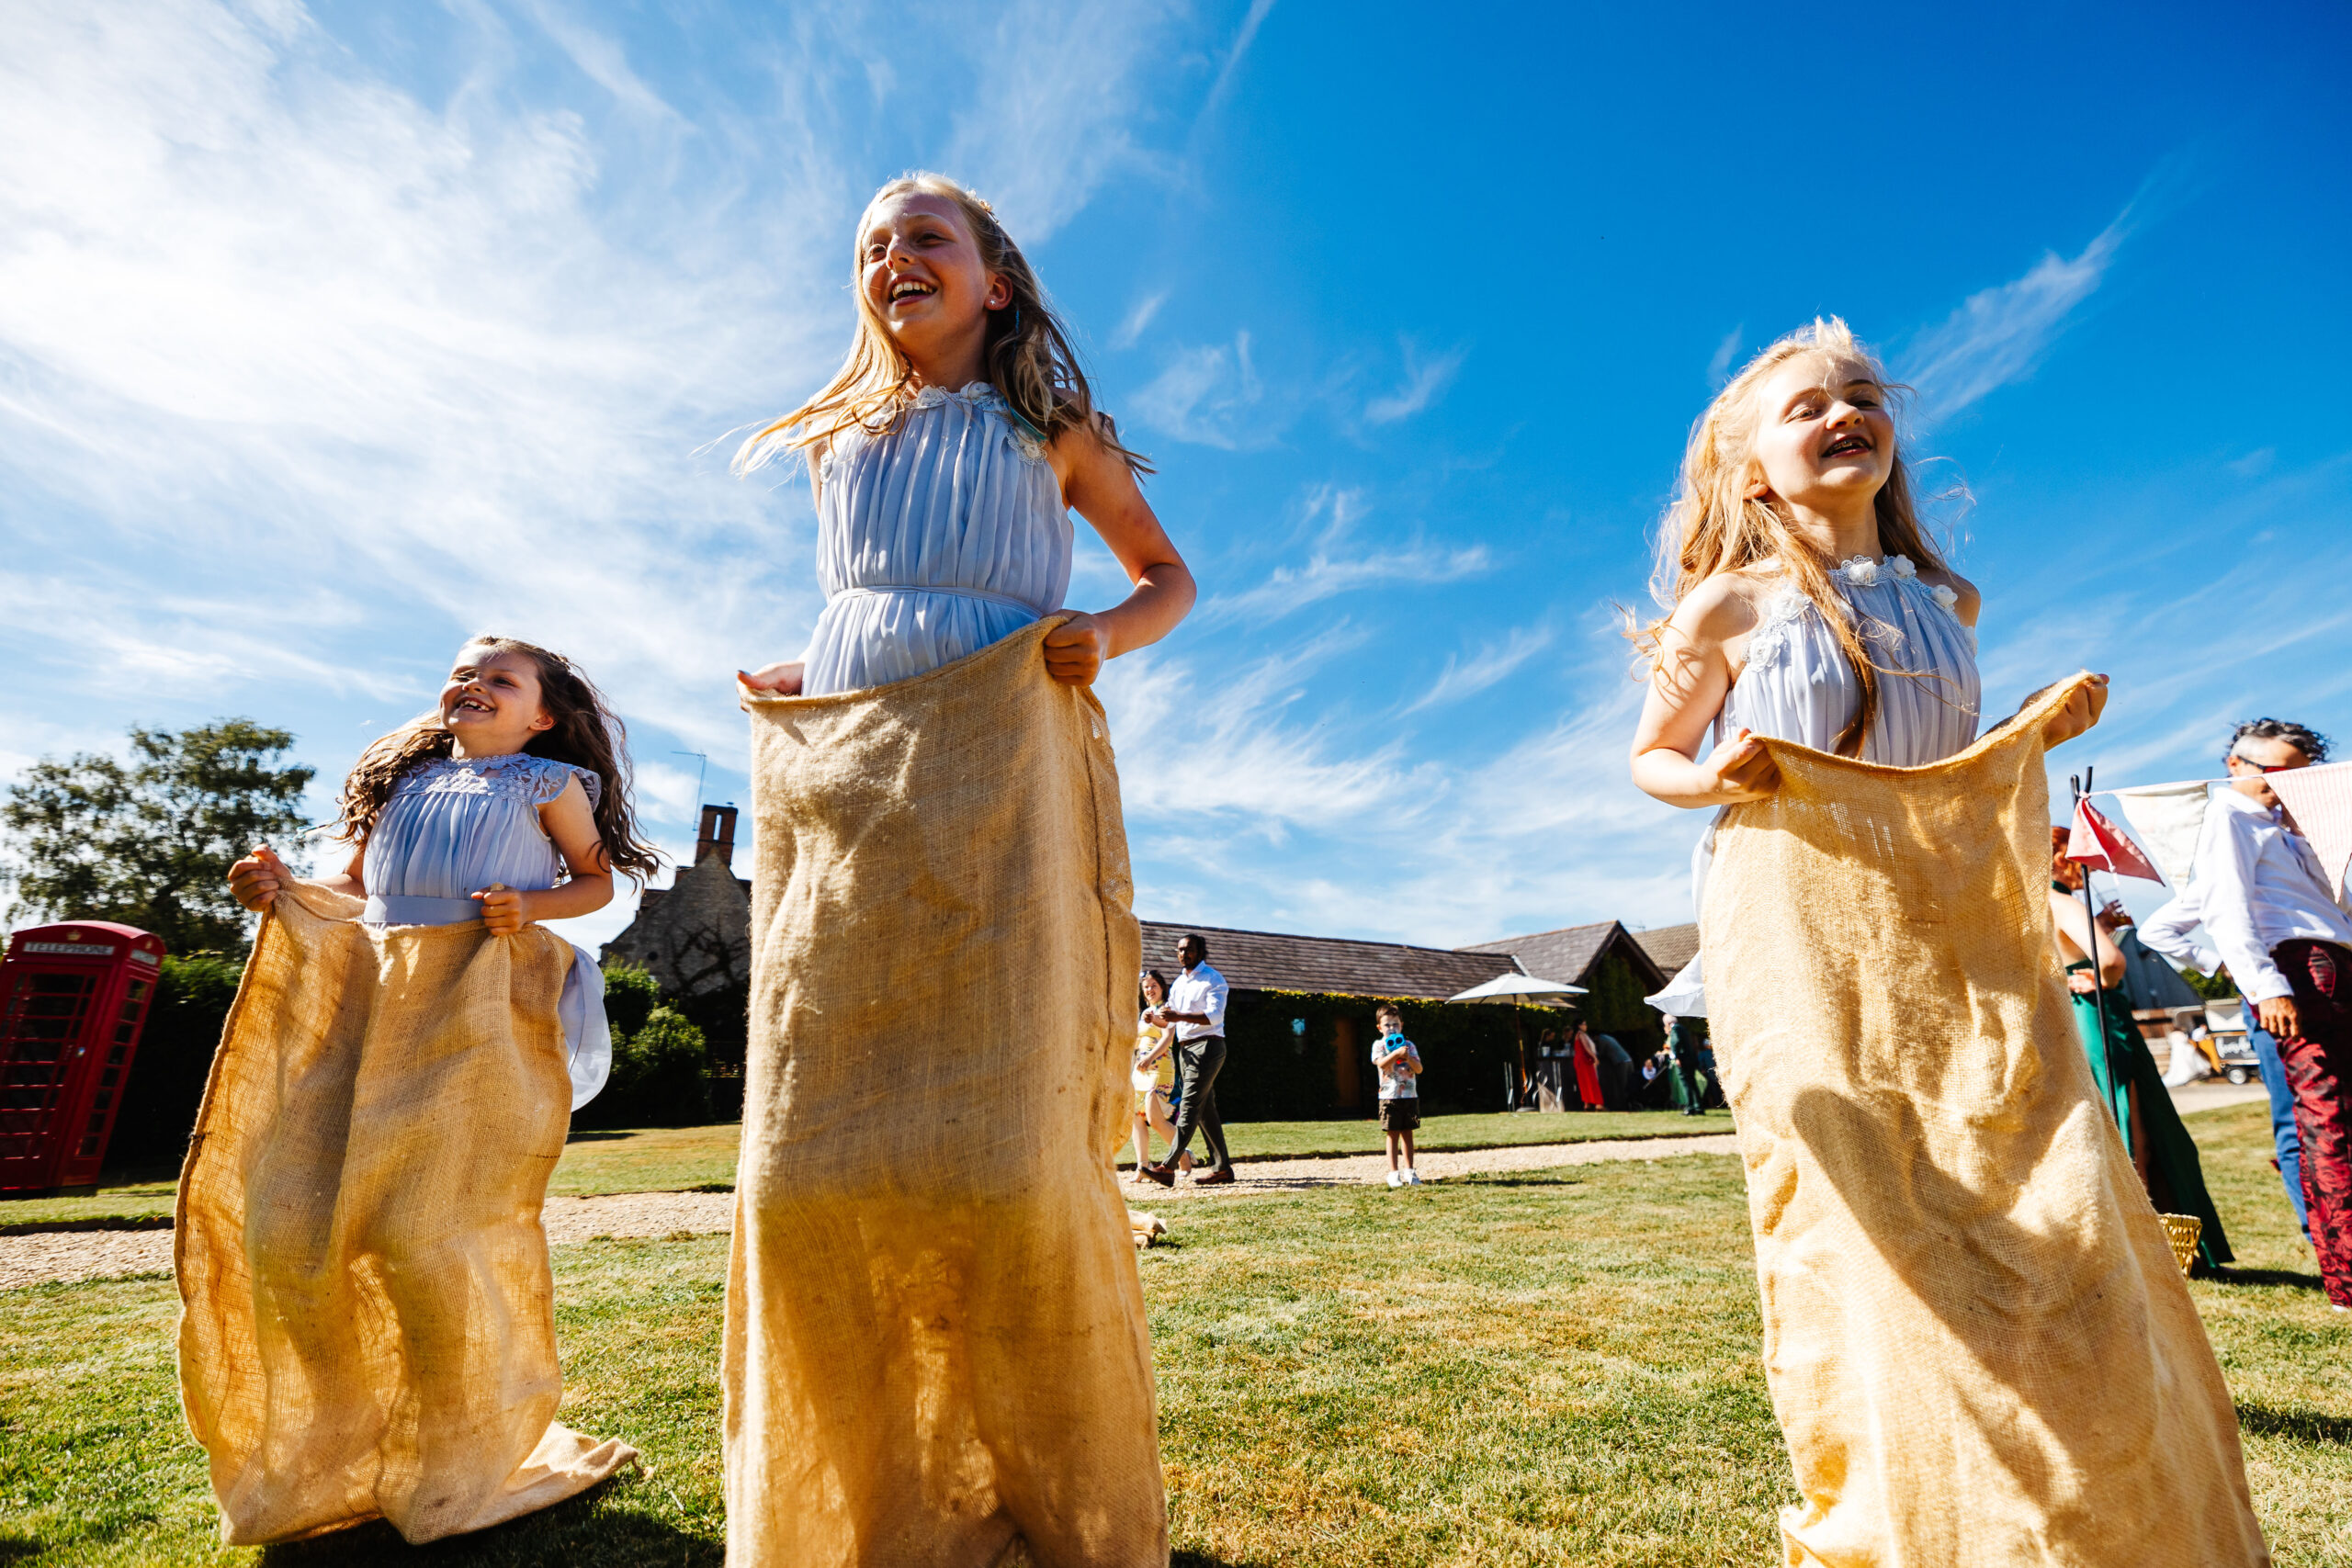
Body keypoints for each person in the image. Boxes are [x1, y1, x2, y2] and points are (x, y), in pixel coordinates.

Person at [1626, 321, 2267, 1565]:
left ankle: (2084, 1482)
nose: (1844, 410)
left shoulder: (1949, 601)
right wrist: (1719, 777)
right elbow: (1651, 754)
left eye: (1862, 394)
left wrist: (2035, 724)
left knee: (2033, 1176)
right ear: (1752, 469)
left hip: (1958, 918)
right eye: (1807, 404)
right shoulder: (1732, 600)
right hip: (1803, 918)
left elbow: (1957, 767)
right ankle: (1905, 1493)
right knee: (1873, 1213)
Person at [722, 174, 1194, 1564]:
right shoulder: (840, 440)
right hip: (852, 769)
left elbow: (1169, 573)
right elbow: (876, 599)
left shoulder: (1051, 430)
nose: (892, 256)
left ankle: (1030, 1484)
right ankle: (861, 1501)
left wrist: (1104, 632)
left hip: (1002, 758)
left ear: (997, 279)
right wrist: (815, 667)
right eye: (872, 244)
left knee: (996, 1155)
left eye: (924, 235)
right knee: (812, 1160)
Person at [191, 637, 659, 1544]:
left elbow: (595, 881)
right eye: (464, 674)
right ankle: (343, 1442)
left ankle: (462, 1452)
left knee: (422, 1230)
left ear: (542, 716)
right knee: (295, 1229)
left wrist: (531, 908)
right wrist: (280, 889)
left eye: (500, 679)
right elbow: (357, 891)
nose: (474, 686)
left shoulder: (547, 786)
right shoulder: (400, 786)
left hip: (477, 1000)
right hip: (379, 1000)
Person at [2193, 717, 2352, 1307]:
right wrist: (2266, 986)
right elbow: (2224, 909)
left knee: (2341, 1118)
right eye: (2275, 775)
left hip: (2335, 961)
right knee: (2325, 1120)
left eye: (2298, 778)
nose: (2285, 787)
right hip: (2299, 969)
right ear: (2236, 765)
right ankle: (2346, 1275)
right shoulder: (2228, 815)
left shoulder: (2286, 828)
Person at [2049, 830, 2233, 1268]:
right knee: (2134, 1124)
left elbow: (2070, 954)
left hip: (2077, 1018)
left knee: (2112, 1117)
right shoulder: (2062, 902)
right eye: (2081, 859)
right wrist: (2099, 979)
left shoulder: (2035, 904)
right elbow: (2112, 961)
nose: (2087, 868)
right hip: (2100, 1015)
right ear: (2058, 857)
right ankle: (2151, 1248)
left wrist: (2098, 937)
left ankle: (2134, 1243)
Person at [2141, 881, 2310, 1235]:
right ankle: (2321, 1235)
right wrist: (2221, 964)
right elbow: (2155, 930)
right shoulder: (2224, 867)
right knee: (2294, 1115)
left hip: (2327, 988)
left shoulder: (2304, 860)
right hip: (2269, 995)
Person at [1140, 933, 1234, 1186]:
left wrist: (1179, 1015)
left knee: (1190, 1105)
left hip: (1208, 1046)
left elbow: (1214, 1017)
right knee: (1205, 1111)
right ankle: (1222, 1168)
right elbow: (1169, 1020)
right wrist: (1155, 1020)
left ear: (1201, 951)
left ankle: (1167, 1167)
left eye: (1189, 950)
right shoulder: (1179, 983)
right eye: (1180, 950)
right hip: (1186, 1049)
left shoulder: (1213, 979)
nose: (1184, 954)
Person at [1130, 970, 1188, 1181]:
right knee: (1136, 1117)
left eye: (1154, 985)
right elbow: (1138, 1042)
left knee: (1155, 1119)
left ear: (1162, 987)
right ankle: (1142, 1167)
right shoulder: (1144, 1012)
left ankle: (1182, 1155)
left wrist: (1149, 1058)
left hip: (1160, 1067)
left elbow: (1168, 1038)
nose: (1150, 990)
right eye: (1146, 986)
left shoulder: (1166, 1010)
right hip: (1141, 1069)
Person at [1371, 1003, 1423, 1186]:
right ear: (1379, 1028)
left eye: (1395, 1024)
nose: (1392, 1028)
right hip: (1389, 1097)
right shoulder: (1379, 1045)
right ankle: (1393, 1173)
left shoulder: (1409, 1046)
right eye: (1387, 1025)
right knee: (1392, 1134)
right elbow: (1381, 1064)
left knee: (1408, 1133)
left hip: (1409, 1096)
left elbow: (1419, 1069)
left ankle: (1410, 1172)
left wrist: (1407, 1056)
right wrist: (1395, 1053)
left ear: (1402, 1025)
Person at [1569, 1021, 1605, 1111]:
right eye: (1584, 1024)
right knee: (1591, 1080)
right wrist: (1594, 1057)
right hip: (1584, 1060)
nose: (1586, 1026)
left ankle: (1587, 1103)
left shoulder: (1580, 1035)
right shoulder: (1581, 1034)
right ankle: (1597, 1104)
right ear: (1579, 1025)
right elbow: (1586, 1047)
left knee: (1585, 1082)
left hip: (1581, 1060)